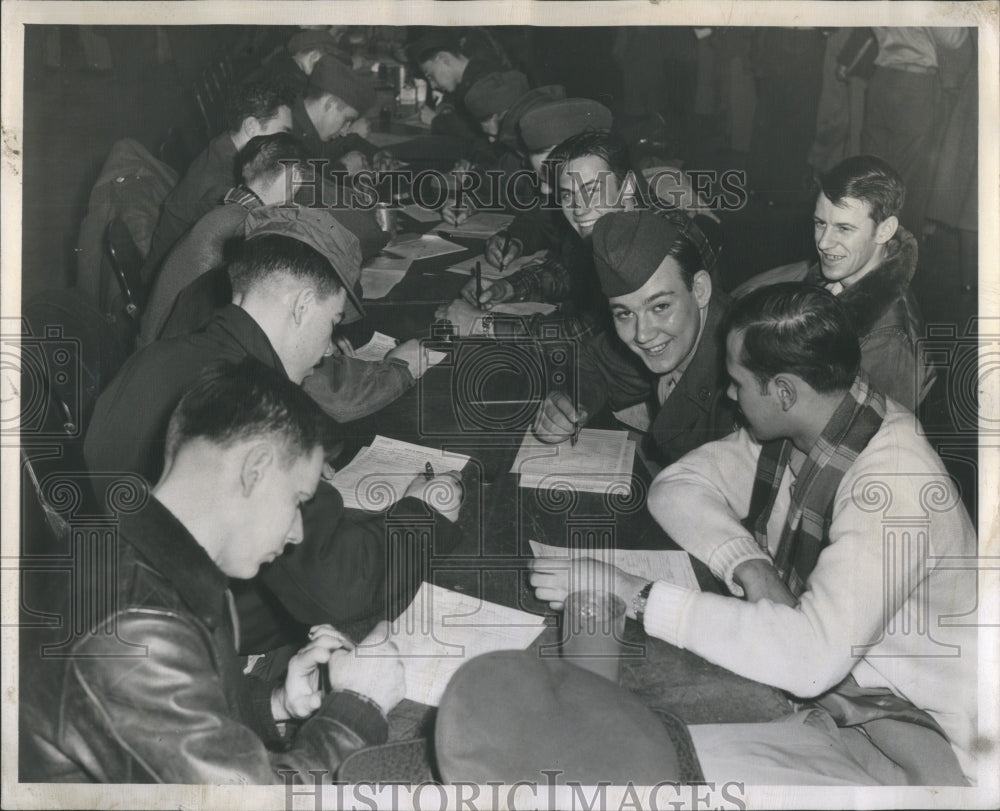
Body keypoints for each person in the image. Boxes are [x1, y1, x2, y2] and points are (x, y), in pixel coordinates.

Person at [530, 284, 977, 785]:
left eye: (739, 382)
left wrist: (633, 593)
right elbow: (675, 487)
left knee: (628, 767)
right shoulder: (825, 421)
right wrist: (752, 566)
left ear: (784, 392)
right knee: (620, 747)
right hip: (853, 703)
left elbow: (810, 660)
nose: (730, 394)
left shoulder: (891, 484)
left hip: (928, 750)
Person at [85, 207, 461, 652]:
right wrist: (423, 513)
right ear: (303, 306)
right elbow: (339, 584)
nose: (326, 350)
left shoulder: (155, 357)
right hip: (218, 634)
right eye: (333, 322)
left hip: (119, 606)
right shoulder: (250, 404)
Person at [22, 362, 406, 783]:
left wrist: (273, 705)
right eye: (298, 499)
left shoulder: (131, 552)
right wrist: (357, 706)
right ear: (254, 469)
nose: (297, 531)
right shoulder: (134, 630)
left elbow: (169, 726)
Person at [533, 210, 736, 468]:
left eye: (660, 307)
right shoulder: (674, 336)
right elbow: (592, 363)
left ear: (700, 290)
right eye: (625, 313)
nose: (642, 334)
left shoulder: (747, 371)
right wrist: (570, 403)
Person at [733, 155, 932, 411]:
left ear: (884, 230)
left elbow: (854, 442)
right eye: (820, 223)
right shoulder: (833, 276)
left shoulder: (890, 342)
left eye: (844, 229)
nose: (824, 242)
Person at [140, 132, 307, 347]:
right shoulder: (245, 228)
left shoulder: (228, 210)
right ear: (293, 180)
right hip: (172, 354)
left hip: (155, 344)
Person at [145, 81, 294, 274]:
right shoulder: (222, 184)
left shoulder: (225, 146)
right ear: (251, 126)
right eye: (283, 133)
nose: (286, 144)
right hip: (173, 280)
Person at [290, 54, 377, 178]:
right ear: (330, 104)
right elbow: (299, 187)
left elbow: (344, 143)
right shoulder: (286, 128)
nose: (344, 132)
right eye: (347, 120)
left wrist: (376, 155)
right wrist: (342, 168)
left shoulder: (308, 124)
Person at [407, 30, 498, 141]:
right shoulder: (467, 78)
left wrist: (435, 120)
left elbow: (476, 132)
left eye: (430, 76)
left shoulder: (483, 80)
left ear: (444, 60)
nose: (432, 85)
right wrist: (445, 110)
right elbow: (452, 102)